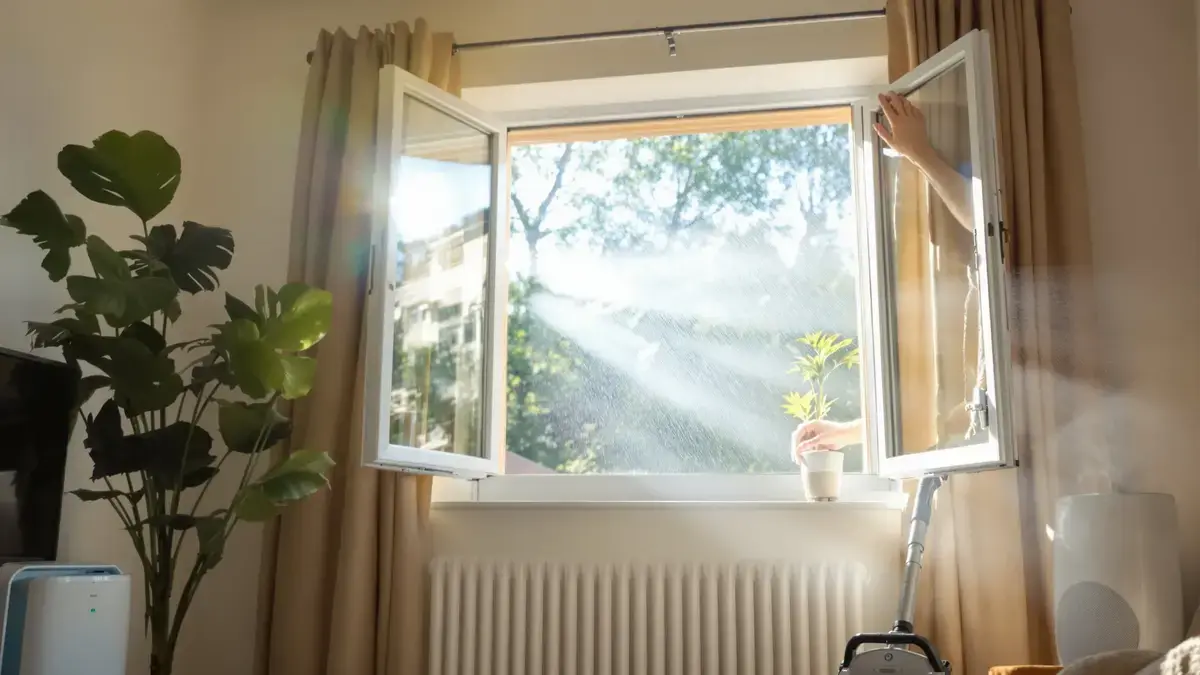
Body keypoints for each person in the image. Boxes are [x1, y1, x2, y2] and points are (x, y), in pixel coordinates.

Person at [791, 91, 974, 464]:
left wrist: (919, 151)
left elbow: (980, 214)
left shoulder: (985, 280)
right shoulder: (965, 289)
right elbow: (954, 409)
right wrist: (845, 433)